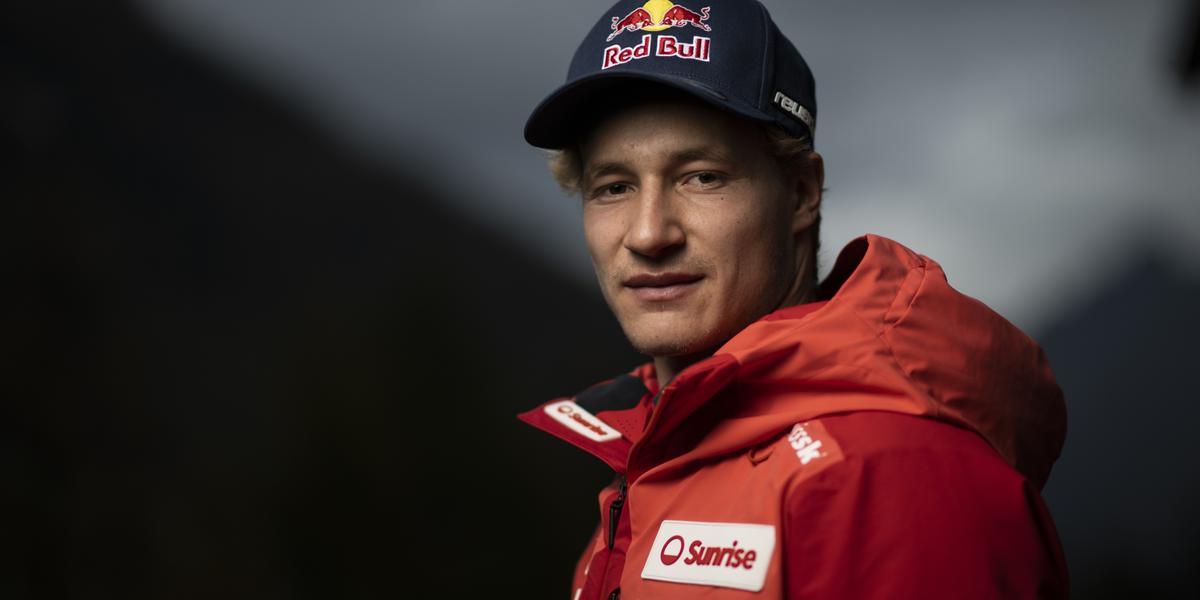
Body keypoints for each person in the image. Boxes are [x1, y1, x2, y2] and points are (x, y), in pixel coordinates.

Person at [518, 1, 1069, 598]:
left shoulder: (891, 471)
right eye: (614, 187)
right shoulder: (646, 466)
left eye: (702, 177)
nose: (649, 234)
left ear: (802, 193)